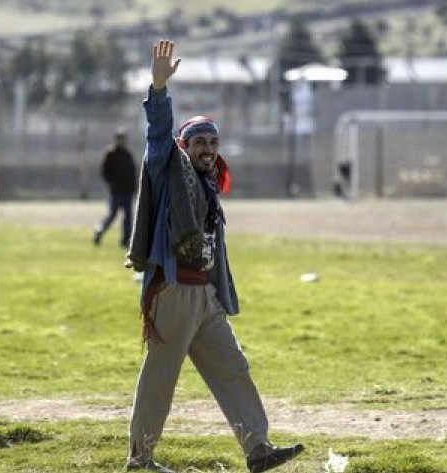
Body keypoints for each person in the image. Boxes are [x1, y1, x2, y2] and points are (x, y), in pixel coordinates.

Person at [123, 40, 304, 473]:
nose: (206, 148)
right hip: (173, 293)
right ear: (184, 147)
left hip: (204, 297)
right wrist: (160, 89)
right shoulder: (171, 167)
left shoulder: (208, 186)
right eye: (198, 141)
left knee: (233, 369)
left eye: (212, 142)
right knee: (160, 381)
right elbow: (158, 137)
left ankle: (258, 449)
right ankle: (140, 460)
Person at [94, 129, 137, 247]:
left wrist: (134, 187)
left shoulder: (128, 154)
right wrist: (111, 184)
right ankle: (99, 231)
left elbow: (133, 172)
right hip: (116, 192)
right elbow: (105, 171)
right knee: (112, 215)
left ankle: (126, 240)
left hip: (127, 191)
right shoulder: (110, 154)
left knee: (128, 218)